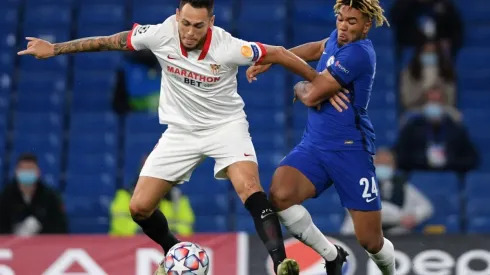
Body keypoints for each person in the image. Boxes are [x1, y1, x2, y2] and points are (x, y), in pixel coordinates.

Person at [17, 0, 342, 274]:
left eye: (198, 26)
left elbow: (281, 53)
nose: (189, 32)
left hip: (225, 127)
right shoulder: (160, 34)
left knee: (250, 190)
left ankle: (280, 263)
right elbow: (109, 40)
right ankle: (176, 253)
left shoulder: (228, 47)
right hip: (181, 132)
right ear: (176, 16)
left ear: (211, 22)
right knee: (139, 207)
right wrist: (55, 49)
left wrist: (318, 83)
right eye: (185, 23)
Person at [247, 0, 396, 274]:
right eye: (340, 19)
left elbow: (312, 95)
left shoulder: (359, 54)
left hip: (351, 151)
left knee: (370, 241)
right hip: (314, 146)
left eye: (351, 22)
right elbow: (318, 49)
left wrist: (300, 84)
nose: (342, 27)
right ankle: (332, 255)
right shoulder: (336, 39)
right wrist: (276, 59)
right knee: (280, 196)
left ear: (366, 26)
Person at [341, 147, 434, 235]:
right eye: (380, 163)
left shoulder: (403, 186)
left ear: (394, 166)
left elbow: (426, 207)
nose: (383, 167)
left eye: (387, 164)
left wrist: (414, 217)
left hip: (394, 231)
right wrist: (399, 216)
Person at [110, 156, 195, 236]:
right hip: (129, 247)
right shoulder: (125, 195)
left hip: (167, 246)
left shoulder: (178, 198)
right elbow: (120, 226)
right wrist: (147, 232)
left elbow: (186, 227)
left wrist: (166, 235)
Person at [0, 153, 68, 235]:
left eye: (30, 169)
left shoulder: (50, 196)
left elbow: (61, 227)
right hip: (12, 244)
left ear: (38, 172)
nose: (27, 172)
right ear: (16, 172)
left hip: (43, 244)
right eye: (23, 169)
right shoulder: (6, 196)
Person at [400, 40, 456, 111]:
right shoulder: (408, 73)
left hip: (443, 111)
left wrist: (439, 96)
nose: (430, 55)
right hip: (416, 110)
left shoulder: (447, 72)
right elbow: (407, 100)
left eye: (433, 52)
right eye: (426, 52)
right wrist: (425, 96)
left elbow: (451, 100)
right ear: (419, 53)